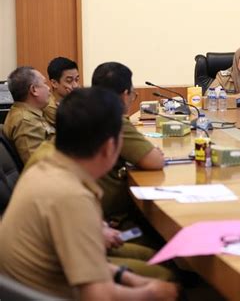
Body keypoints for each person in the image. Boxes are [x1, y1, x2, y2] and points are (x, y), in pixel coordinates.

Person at [0, 87, 177, 300]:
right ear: (110, 147)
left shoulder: (46, 165)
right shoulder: (72, 196)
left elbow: (81, 261)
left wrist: (127, 278)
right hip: (54, 293)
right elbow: (98, 296)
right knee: (169, 285)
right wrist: (152, 292)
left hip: (33, 287)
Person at [91, 62, 166, 241]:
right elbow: (155, 162)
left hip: (95, 215)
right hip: (112, 222)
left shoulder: (88, 113)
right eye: (133, 92)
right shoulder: (113, 121)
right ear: (125, 95)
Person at [2, 66, 55, 164]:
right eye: (44, 84)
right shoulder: (26, 122)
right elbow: (39, 166)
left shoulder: (29, 113)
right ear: (34, 90)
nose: (48, 88)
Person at [44, 57, 80, 126]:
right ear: (54, 83)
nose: (75, 85)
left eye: (77, 80)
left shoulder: (71, 102)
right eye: (69, 81)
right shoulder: (50, 107)